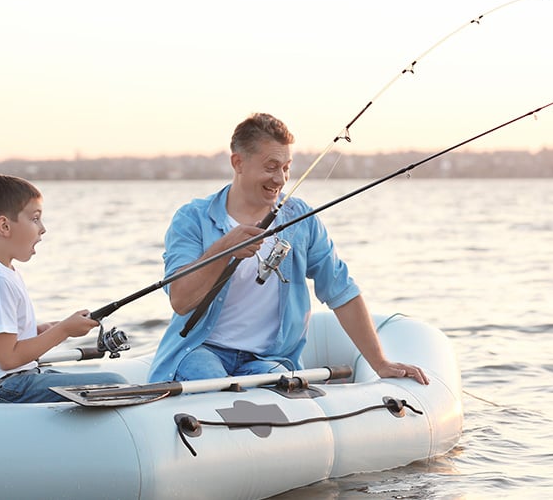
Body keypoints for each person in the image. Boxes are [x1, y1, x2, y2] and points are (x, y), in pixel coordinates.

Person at [148, 113, 429, 386]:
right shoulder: (192, 218)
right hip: (199, 350)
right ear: (238, 163)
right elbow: (180, 300)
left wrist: (380, 363)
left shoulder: (301, 219)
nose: (281, 180)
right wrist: (224, 249)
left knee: (270, 386)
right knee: (210, 382)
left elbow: (341, 290)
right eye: (271, 167)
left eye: (286, 167)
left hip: (269, 359)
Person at [0, 174, 127, 403]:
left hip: (13, 381)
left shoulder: (2, 272)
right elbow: (7, 358)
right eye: (35, 219)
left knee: (110, 383)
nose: (43, 228)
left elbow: (3, 336)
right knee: (113, 383)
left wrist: (43, 329)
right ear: (4, 226)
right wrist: (64, 330)